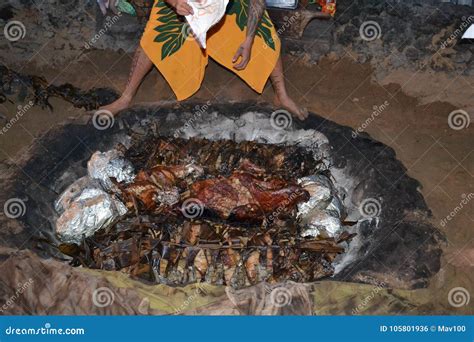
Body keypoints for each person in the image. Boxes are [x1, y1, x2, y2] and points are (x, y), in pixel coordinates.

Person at [100, 0, 308, 120]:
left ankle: (282, 95)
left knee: (267, 37)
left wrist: (248, 40)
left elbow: (257, 2)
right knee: (155, 34)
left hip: (227, 5)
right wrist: (175, 3)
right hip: (184, 3)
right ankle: (126, 97)